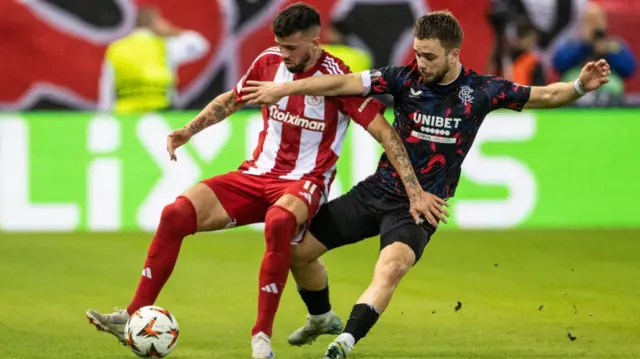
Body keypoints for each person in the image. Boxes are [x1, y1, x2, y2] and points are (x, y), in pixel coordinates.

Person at [240, 10, 611, 359]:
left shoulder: (482, 91)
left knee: (391, 267)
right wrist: (286, 90)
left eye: (429, 56)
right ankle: (322, 317)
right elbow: (342, 82)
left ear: (454, 55)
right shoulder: (402, 78)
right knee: (296, 253)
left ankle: (345, 340)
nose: (421, 63)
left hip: (422, 207)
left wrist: (580, 85)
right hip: (377, 191)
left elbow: (545, 95)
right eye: (417, 54)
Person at [85, 4, 445, 359]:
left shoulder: (338, 79)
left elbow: (386, 133)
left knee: (279, 223)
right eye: (279, 44)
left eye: (291, 47)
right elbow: (232, 99)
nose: (283, 53)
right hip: (256, 173)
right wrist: (189, 130)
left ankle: (261, 339)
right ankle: (133, 313)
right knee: (174, 214)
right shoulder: (268, 61)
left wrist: (415, 191)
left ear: (315, 43)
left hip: (306, 181)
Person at [98, 5, 209, 114]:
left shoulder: (116, 48)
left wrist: (105, 114)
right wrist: (171, 31)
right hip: (160, 112)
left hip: (126, 115)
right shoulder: (165, 45)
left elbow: (107, 86)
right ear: (156, 23)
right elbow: (201, 45)